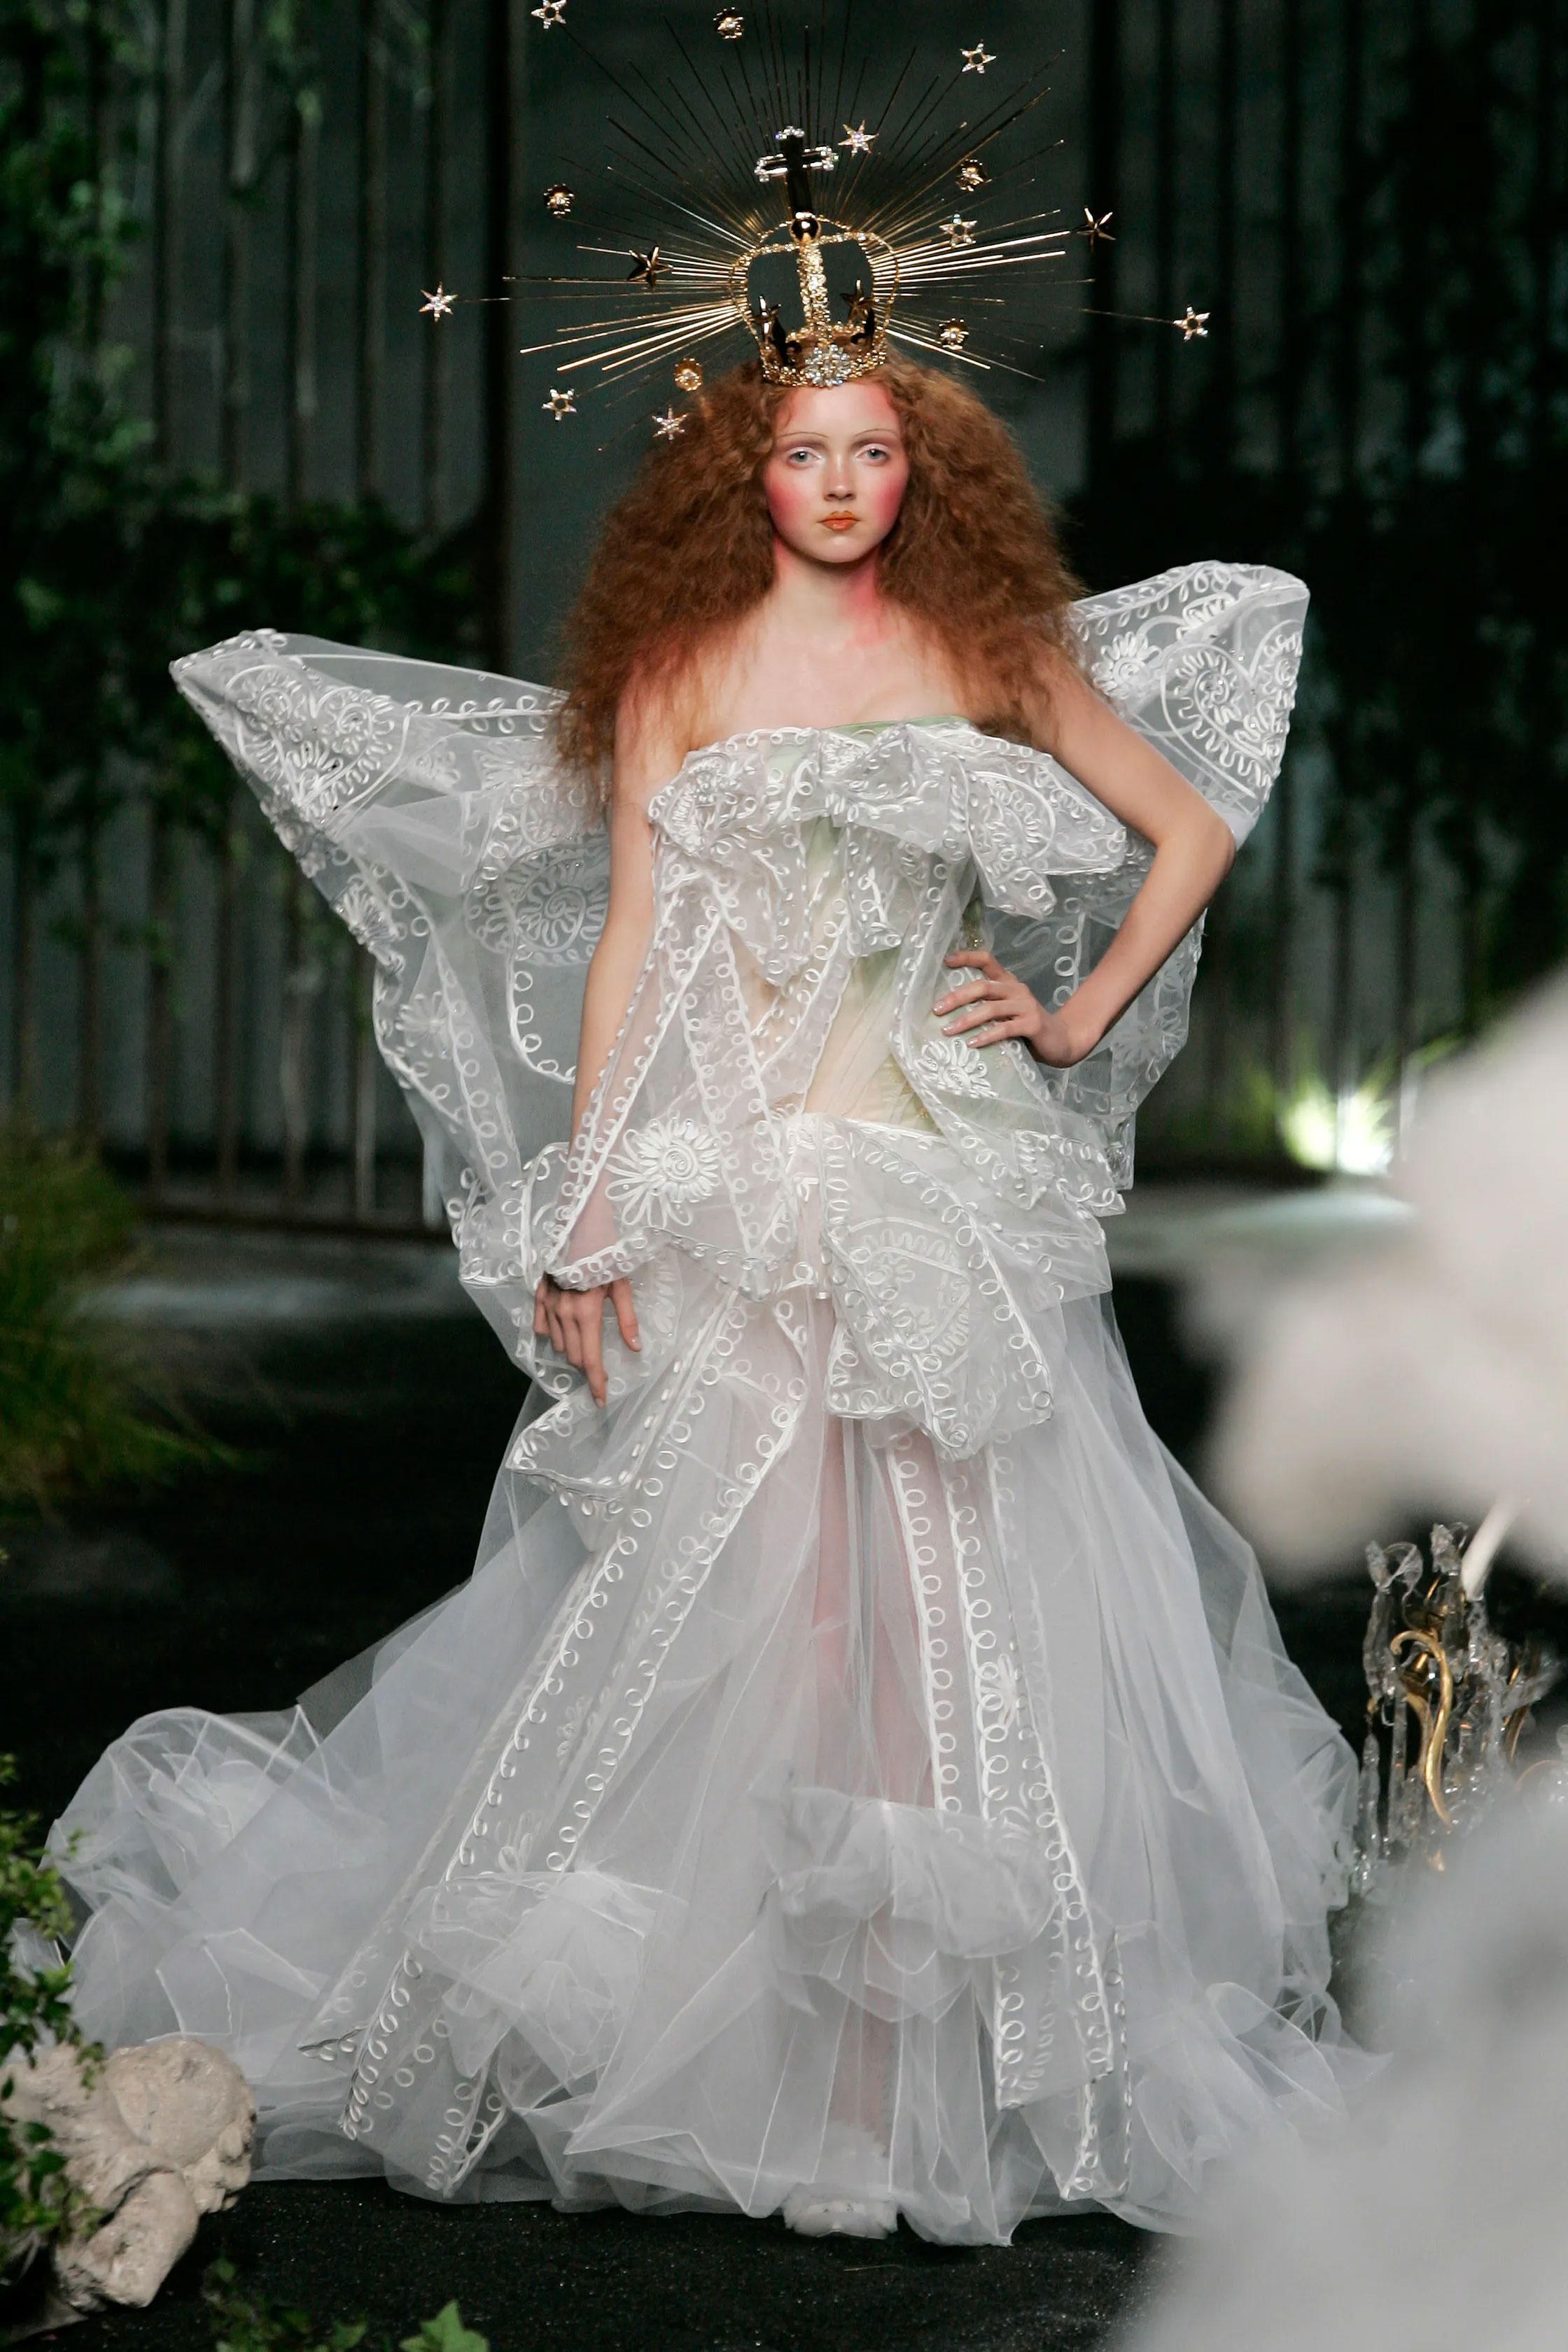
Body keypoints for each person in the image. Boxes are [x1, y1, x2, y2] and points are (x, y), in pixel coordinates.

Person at [52, 356, 1362, 2246]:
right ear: (750, 476)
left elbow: (1194, 825)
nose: (838, 481)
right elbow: (634, 950)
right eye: (803, 452)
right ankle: (774, 2070)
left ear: (919, 472)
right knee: (757, 1607)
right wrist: (585, 1202)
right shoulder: (675, 673)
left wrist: (1074, 1019)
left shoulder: (985, 649)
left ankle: (917, 2088)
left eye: (872, 451)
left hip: (935, 1188)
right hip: (740, 1195)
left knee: (957, 1609)